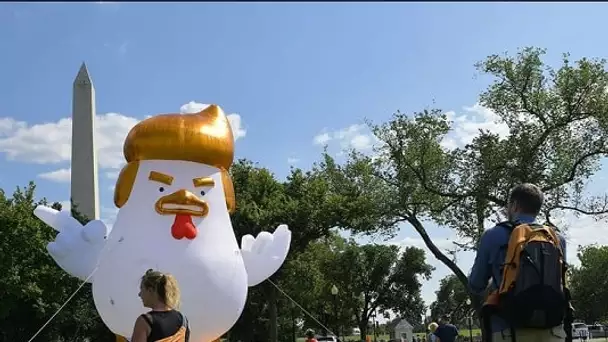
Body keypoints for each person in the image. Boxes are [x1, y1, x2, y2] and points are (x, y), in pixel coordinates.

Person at [469, 183, 569, 342]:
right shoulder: (557, 239)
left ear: (514, 205)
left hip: (508, 330)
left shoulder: (493, 235)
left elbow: (476, 284)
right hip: (552, 330)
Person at [131, 269, 190, 342]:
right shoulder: (183, 320)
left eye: (142, 289)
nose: (139, 294)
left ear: (150, 290)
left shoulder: (144, 322)